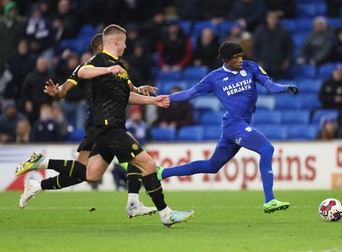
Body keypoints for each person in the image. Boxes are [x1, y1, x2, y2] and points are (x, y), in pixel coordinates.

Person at [16, 25, 194, 227]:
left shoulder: (121, 68)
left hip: (109, 127)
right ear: (116, 41)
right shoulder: (99, 61)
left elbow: (128, 95)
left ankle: (40, 173)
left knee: (91, 174)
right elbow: (82, 72)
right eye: (125, 42)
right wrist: (108, 69)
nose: (126, 46)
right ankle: (165, 213)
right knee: (149, 165)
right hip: (107, 127)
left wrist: (153, 100)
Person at [157, 41, 299, 213]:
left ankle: (162, 173)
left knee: (211, 166)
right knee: (266, 149)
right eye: (236, 57)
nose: (240, 59)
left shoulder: (251, 67)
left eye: (241, 55)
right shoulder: (213, 78)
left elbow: (270, 86)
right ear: (226, 59)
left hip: (237, 125)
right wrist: (164, 99)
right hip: (234, 125)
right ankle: (269, 200)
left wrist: (285, 88)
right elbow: (189, 94)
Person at [252, 11, 294, 80]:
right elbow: (255, 47)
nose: (273, 20)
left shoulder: (284, 31)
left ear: (278, 20)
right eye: (271, 18)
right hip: (264, 65)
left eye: (275, 18)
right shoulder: (260, 31)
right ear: (267, 19)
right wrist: (257, 61)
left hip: (279, 65)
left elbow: (289, 47)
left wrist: (287, 60)